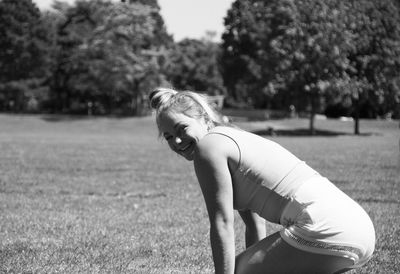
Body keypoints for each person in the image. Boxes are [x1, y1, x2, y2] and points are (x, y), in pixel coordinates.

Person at [149, 87, 375, 274]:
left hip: (325, 227)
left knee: (237, 270)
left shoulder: (208, 148)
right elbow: (254, 225)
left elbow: (222, 225)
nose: (177, 140)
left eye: (182, 128)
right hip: (358, 228)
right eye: (168, 137)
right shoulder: (234, 136)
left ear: (204, 119)